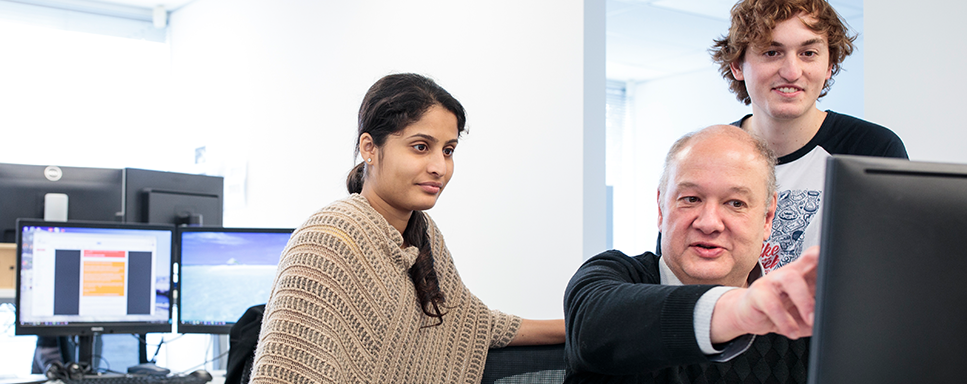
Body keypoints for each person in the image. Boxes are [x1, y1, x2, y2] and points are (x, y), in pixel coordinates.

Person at [249, 73, 564, 383]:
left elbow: (473, 324)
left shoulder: (423, 233)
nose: (439, 167)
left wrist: (577, 326)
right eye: (421, 147)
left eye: (448, 150)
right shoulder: (326, 241)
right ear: (369, 148)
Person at [565, 125, 819, 383]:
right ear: (661, 209)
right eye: (691, 199)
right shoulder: (610, 276)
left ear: (767, 218)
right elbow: (592, 327)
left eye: (735, 203)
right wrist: (739, 309)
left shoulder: (799, 320)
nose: (709, 224)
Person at [708, 0, 907, 272]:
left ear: (829, 66)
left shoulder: (871, 149)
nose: (791, 72)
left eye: (809, 53)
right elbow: (672, 272)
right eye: (771, 52)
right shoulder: (707, 156)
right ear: (737, 66)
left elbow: (896, 270)